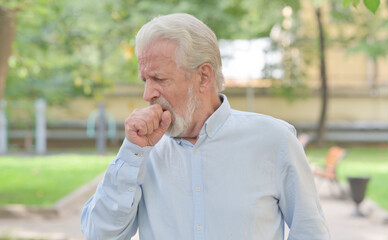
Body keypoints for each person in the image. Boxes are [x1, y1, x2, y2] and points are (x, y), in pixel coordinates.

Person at [81, 13, 330, 240]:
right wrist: (132, 153)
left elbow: (310, 232)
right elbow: (99, 235)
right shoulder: (141, 153)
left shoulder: (274, 140)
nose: (148, 94)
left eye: (159, 78)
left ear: (203, 77)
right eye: (145, 80)